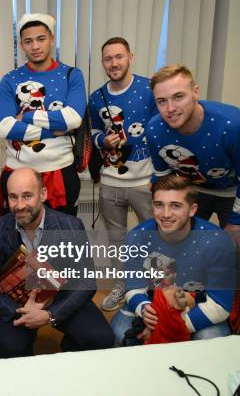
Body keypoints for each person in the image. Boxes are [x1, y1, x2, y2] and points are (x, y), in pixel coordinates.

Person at [0, 167, 113, 357]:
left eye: (27, 196)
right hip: (19, 302)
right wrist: (18, 311)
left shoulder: (70, 226)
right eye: (13, 197)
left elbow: (86, 282)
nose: (19, 205)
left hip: (61, 296)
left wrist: (51, 314)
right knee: (6, 346)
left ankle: (71, 348)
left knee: (100, 338)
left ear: (43, 194)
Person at [146, 64, 240, 252]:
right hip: (193, 190)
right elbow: (163, 174)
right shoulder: (154, 130)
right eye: (161, 101)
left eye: (178, 96)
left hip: (236, 192)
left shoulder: (232, 124)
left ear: (195, 92)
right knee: (182, 251)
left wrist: (238, 220)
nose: (170, 108)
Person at [110, 175, 235, 346]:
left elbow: (220, 305)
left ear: (192, 209)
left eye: (175, 206)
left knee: (210, 341)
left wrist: (168, 327)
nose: (166, 214)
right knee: (120, 333)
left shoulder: (218, 241)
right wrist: (145, 309)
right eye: (159, 205)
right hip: (154, 304)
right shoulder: (137, 237)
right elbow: (133, 288)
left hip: (198, 306)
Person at [88, 37, 158, 312]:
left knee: (155, 236)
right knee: (117, 240)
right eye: (108, 58)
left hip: (146, 181)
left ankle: (156, 290)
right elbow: (92, 132)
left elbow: (161, 127)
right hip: (110, 180)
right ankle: (123, 286)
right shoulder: (96, 97)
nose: (114, 63)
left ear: (131, 56)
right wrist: (102, 142)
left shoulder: (149, 89)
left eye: (119, 56)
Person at [0, 13, 87, 216]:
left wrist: (26, 116)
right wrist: (56, 129)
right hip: (17, 173)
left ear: (52, 39)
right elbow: (4, 127)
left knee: (61, 240)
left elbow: (73, 119)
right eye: (28, 41)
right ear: (21, 45)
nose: (35, 46)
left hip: (60, 172)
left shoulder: (71, 75)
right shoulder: (10, 80)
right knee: (19, 241)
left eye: (41, 39)